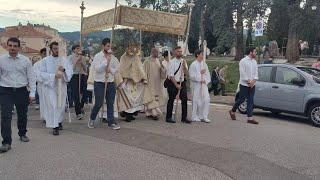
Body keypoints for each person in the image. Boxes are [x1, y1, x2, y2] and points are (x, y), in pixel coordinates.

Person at [0, 37, 36, 153]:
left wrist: (32, 93)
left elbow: (31, 77)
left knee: (22, 114)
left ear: (19, 47)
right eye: (10, 46)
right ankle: (6, 142)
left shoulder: (25, 61)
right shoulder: (1, 60)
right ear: (7, 46)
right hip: (6, 90)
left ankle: (22, 133)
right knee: (6, 116)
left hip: (21, 90)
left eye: (15, 46)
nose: (12, 48)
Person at [36, 41, 73, 135]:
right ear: (51, 49)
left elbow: (69, 73)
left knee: (60, 106)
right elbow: (40, 74)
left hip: (62, 86)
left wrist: (64, 71)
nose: (57, 50)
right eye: (55, 49)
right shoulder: (45, 61)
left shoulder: (64, 60)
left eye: (58, 48)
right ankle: (55, 126)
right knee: (53, 105)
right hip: (51, 87)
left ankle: (59, 121)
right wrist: (53, 76)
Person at [88, 38, 120, 130]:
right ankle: (92, 118)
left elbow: (116, 69)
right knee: (98, 103)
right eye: (107, 46)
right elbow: (97, 69)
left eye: (110, 46)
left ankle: (111, 122)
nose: (109, 48)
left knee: (110, 103)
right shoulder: (98, 56)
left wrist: (110, 70)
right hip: (99, 82)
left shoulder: (113, 57)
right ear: (103, 46)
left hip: (110, 82)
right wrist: (106, 62)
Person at [117, 43, 153, 122]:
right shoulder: (123, 57)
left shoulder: (136, 57)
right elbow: (121, 69)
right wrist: (123, 78)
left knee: (134, 98)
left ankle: (131, 114)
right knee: (128, 98)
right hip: (126, 81)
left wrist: (143, 78)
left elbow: (140, 68)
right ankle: (127, 115)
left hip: (135, 81)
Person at [229, 47, 259, 125]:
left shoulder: (255, 62)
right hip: (244, 84)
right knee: (241, 99)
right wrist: (249, 81)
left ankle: (250, 118)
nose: (256, 53)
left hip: (252, 85)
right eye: (255, 52)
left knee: (250, 100)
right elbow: (242, 73)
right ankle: (232, 110)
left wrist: (253, 81)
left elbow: (256, 73)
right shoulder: (243, 61)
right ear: (250, 52)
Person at [165, 46, 191, 124]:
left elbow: (187, 74)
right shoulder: (171, 62)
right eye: (178, 51)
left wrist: (184, 67)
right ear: (175, 52)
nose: (180, 53)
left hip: (182, 82)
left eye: (181, 51)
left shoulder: (183, 61)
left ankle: (184, 117)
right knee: (171, 99)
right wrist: (176, 85)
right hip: (173, 83)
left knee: (184, 99)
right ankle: (168, 117)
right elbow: (171, 75)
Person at [143, 48, 166, 120]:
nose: (157, 54)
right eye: (156, 53)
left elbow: (161, 72)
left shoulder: (158, 61)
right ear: (152, 53)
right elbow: (144, 71)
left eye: (158, 53)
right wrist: (144, 80)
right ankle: (154, 113)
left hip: (157, 83)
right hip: (149, 83)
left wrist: (163, 68)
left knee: (155, 97)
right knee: (150, 97)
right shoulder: (147, 61)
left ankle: (149, 112)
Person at [189, 50, 211, 123]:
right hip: (196, 85)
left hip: (203, 85)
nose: (203, 56)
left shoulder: (204, 64)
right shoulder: (193, 64)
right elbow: (192, 76)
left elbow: (208, 75)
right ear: (197, 55)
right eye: (202, 54)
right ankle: (195, 116)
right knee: (197, 101)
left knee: (206, 99)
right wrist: (199, 76)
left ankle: (204, 116)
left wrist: (205, 80)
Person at [68, 45, 87, 120]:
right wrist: (77, 60)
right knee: (76, 94)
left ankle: (81, 106)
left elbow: (85, 69)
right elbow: (71, 68)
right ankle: (78, 112)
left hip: (82, 75)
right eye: (77, 48)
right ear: (73, 50)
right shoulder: (70, 57)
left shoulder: (83, 57)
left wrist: (82, 62)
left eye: (80, 48)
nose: (79, 50)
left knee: (85, 93)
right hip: (74, 76)